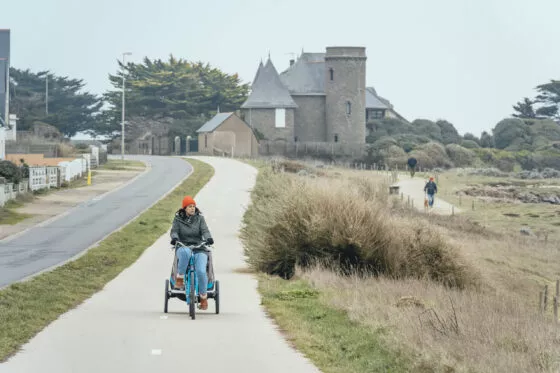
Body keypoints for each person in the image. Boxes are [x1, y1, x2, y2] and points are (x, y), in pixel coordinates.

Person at [170, 195, 214, 310]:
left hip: (199, 247)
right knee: (185, 253)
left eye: (194, 206)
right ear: (184, 208)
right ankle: (180, 278)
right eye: (190, 206)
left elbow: (205, 231)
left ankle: (203, 298)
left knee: (200, 270)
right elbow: (174, 231)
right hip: (183, 246)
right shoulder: (178, 219)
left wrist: (208, 238)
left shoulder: (200, 219)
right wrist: (174, 238)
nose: (192, 208)